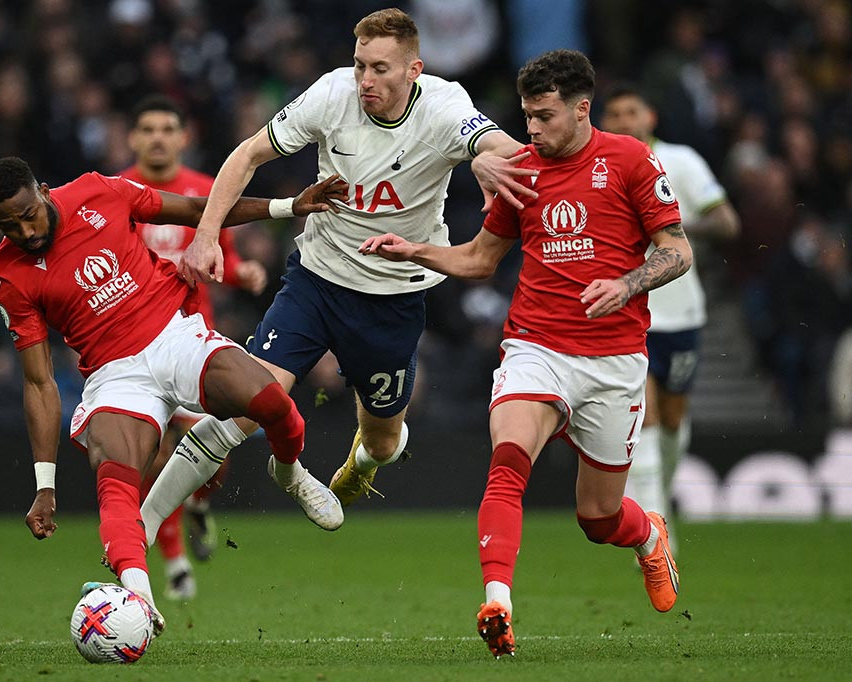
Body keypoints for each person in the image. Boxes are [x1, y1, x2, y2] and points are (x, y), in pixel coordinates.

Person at [140, 8, 536, 537]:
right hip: (317, 279)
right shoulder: (331, 95)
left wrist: (488, 157)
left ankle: (362, 464)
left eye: (380, 69)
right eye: (359, 66)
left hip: (393, 295)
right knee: (247, 406)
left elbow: (505, 149)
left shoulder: (445, 106)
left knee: (383, 442)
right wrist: (208, 234)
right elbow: (246, 155)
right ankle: (136, 533)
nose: (365, 80)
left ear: (414, 70)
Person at [359, 49, 691, 658]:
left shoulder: (630, 160)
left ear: (582, 108)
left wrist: (628, 283)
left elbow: (677, 250)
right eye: (526, 116)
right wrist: (416, 251)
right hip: (535, 345)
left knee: (597, 518)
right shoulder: (520, 170)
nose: (530, 129)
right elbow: (480, 260)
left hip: (615, 360)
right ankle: (498, 603)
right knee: (508, 460)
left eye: (543, 116)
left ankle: (647, 536)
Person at [0, 156, 346, 635]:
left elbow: (197, 210)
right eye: (10, 226)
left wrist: (287, 205)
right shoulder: (7, 275)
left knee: (273, 402)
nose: (25, 231)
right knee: (115, 484)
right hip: (115, 376)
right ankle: (140, 605)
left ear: (43, 190)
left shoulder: (97, 192)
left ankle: (290, 471)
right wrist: (44, 485)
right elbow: (39, 382)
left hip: (174, 335)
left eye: (30, 214)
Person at [122, 94, 269, 601]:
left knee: (215, 448)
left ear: (184, 138)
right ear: (132, 138)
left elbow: (219, 259)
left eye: (168, 128)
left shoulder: (206, 191)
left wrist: (243, 272)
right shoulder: (117, 194)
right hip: (136, 344)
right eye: (148, 128)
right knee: (157, 453)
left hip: (191, 337)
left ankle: (200, 505)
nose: (158, 137)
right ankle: (174, 562)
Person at [600, 84, 740, 550]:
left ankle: (660, 504)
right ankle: (659, 532)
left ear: (651, 116)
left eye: (631, 111)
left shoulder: (681, 162)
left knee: (674, 424)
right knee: (647, 420)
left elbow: (727, 223)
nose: (624, 122)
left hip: (682, 313)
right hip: (632, 315)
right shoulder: (601, 167)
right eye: (614, 114)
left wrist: (668, 229)